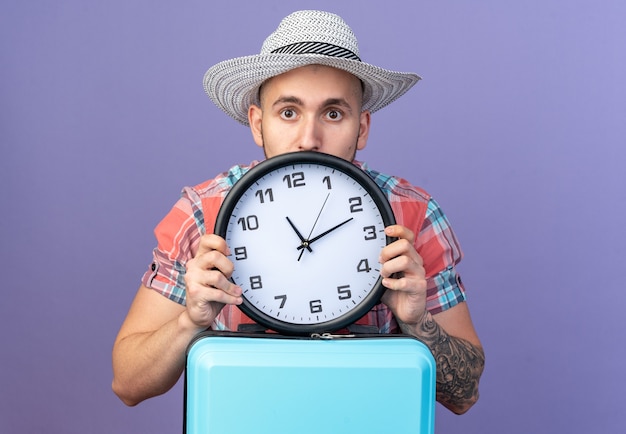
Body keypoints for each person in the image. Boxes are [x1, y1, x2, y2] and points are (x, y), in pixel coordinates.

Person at [112, 10, 485, 415]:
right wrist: (190, 321)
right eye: (288, 112)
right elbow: (128, 383)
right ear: (258, 123)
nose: (309, 138)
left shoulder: (413, 214)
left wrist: (417, 322)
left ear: (361, 127)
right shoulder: (203, 212)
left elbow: (464, 396)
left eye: (333, 113)